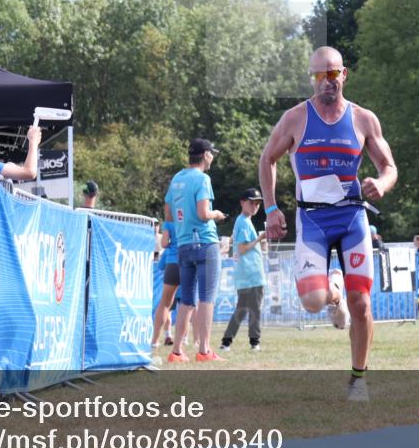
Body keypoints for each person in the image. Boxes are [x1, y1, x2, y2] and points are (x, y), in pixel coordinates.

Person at [259, 46, 397, 402]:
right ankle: (333, 289)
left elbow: (389, 166)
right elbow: (267, 159)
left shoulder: (364, 119)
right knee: (312, 300)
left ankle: (358, 380)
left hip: (352, 218)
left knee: (362, 304)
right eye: (319, 75)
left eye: (332, 74)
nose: (326, 82)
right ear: (312, 79)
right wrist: (272, 208)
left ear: (344, 75)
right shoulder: (295, 119)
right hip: (312, 220)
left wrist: (381, 184)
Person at [164, 138, 227, 363]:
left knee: (187, 301)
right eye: (212, 153)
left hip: (183, 245)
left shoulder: (177, 178)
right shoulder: (202, 178)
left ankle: (177, 351)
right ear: (206, 154)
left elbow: (169, 213)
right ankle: (204, 350)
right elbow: (203, 213)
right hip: (205, 242)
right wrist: (216, 214)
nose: (213, 157)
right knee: (207, 298)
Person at [220, 188, 267, 352]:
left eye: (257, 204)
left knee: (242, 310)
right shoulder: (243, 221)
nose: (255, 206)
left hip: (247, 273)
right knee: (254, 309)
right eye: (251, 203)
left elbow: (240, 246)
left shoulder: (243, 221)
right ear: (242, 202)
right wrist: (260, 238)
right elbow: (243, 248)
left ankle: (226, 341)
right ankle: (254, 342)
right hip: (251, 274)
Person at [151, 219, 179, 348]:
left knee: (165, 306)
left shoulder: (169, 225)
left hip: (172, 269)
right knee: (186, 306)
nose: (156, 227)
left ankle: (157, 339)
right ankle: (173, 338)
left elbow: (161, 266)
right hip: (189, 264)